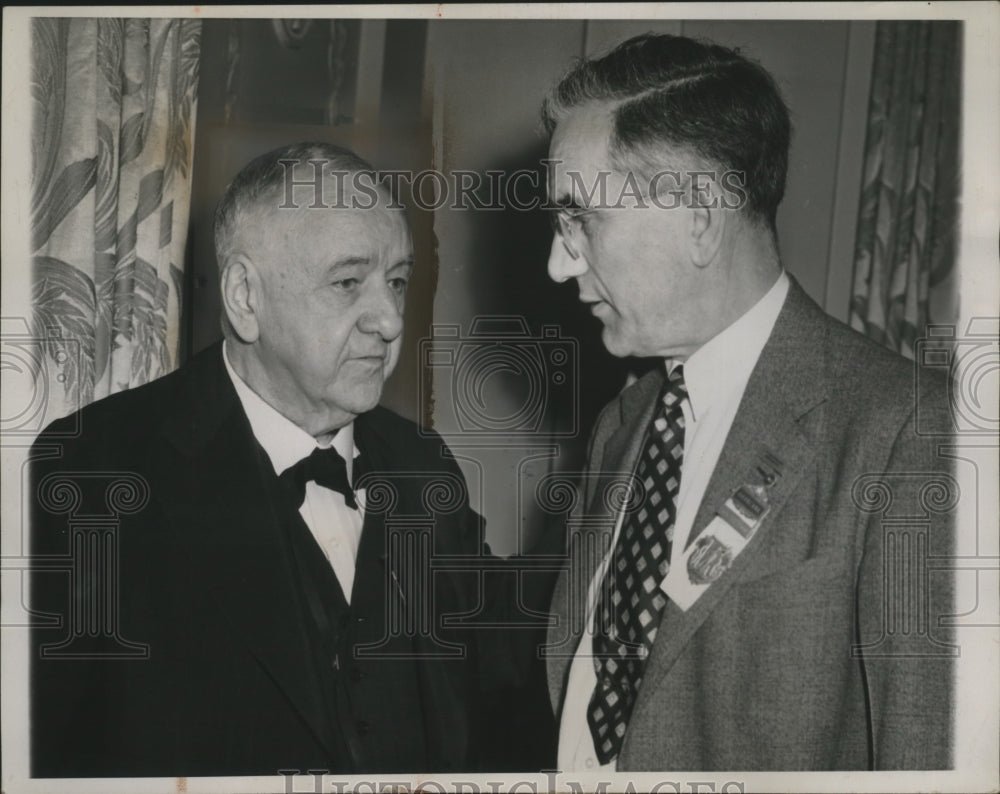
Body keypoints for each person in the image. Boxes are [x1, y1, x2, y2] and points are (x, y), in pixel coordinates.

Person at [29, 142, 550, 777]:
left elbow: (504, 661)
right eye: (348, 282)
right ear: (245, 296)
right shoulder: (96, 469)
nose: (388, 320)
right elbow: (52, 750)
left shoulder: (421, 465)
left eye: (396, 281)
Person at [540, 34, 955, 771]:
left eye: (582, 219)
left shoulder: (908, 433)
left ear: (699, 215)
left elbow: (923, 755)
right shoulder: (621, 427)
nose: (557, 261)